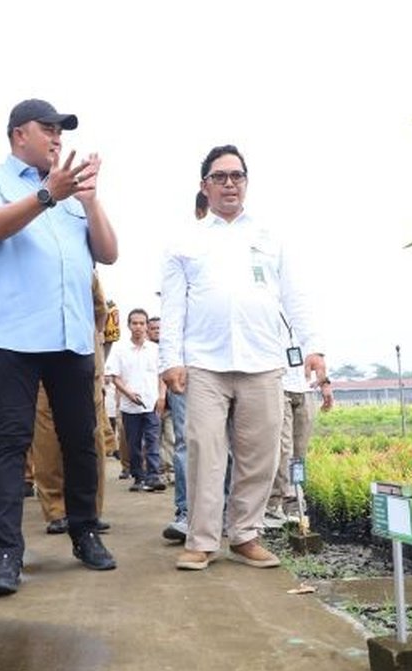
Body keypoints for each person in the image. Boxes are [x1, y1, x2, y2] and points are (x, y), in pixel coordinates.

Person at [0, 97, 119, 596]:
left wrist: (89, 200)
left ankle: (84, 532)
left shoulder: (73, 195)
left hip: (71, 337)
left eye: (61, 131)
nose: (57, 138)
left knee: (80, 440)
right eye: (47, 128)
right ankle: (7, 554)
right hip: (15, 339)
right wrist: (47, 195)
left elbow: (109, 253)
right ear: (17, 134)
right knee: (10, 442)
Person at [159, 144, 313, 571]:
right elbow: (173, 307)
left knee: (260, 454)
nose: (230, 183)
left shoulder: (269, 237)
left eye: (237, 176)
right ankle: (202, 539)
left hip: (263, 360)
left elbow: (294, 296)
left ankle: (245, 534)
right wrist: (169, 360)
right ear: (204, 185)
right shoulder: (184, 240)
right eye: (220, 176)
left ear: (246, 183)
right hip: (205, 364)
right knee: (205, 452)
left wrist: (313, 347)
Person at [32, 273, 113, 535]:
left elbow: (100, 311)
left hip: (83, 358)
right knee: (46, 439)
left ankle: (88, 510)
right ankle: (57, 511)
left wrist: (92, 339)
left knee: (90, 436)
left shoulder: (84, 269)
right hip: (40, 355)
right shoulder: (27, 266)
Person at [265, 352, 333, 527]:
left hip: (306, 388)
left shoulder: (307, 325)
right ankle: (274, 503)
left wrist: (325, 384)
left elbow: (317, 351)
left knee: (299, 453)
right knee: (283, 449)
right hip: (278, 385)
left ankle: (294, 504)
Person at [106, 308, 166, 492]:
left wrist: (162, 396)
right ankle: (139, 476)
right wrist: (127, 393)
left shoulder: (156, 350)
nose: (138, 327)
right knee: (133, 444)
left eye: (142, 323)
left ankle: (154, 476)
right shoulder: (119, 349)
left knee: (152, 441)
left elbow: (162, 374)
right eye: (135, 323)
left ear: (147, 326)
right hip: (129, 406)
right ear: (129, 325)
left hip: (152, 403)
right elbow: (114, 376)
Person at [146, 316, 175, 481]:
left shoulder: (169, 350)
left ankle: (171, 470)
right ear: (148, 331)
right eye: (153, 328)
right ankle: (156, 471)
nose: (157, 331)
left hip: (171, 403)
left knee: (171, 438)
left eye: (159, 328)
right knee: (152, 439)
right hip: (150, 403)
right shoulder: (146, 351)